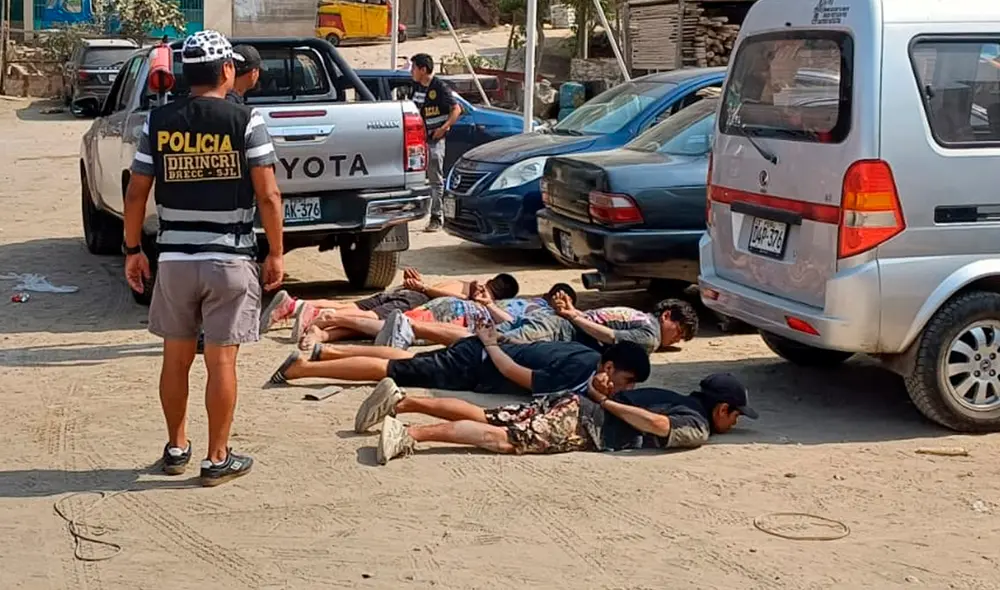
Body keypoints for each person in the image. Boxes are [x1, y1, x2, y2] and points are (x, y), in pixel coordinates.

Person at [123, 30, 284, 487]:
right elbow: (268, 195)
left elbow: (137, 192)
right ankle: (217, 458)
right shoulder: (246, 121)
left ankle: (176, 448)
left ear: (184, 73)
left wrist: (133, 250)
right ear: (228, 70)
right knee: (221, 362)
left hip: (174, 261)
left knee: (174, 359)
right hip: (229, 260)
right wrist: (275, 251)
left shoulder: (159, 122)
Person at [369, 372, 758, 465]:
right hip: (584, 421)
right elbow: (658, 426)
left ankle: (402, 402)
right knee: (505, 439)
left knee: (488, 414)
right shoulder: (698, 425)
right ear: (721, 409)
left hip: (570, 402)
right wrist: (606, 405)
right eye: (736, 416)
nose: (736, 424)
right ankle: (410, 434)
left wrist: (601, 396)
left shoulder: (673, 396)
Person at [268, 321, 651, 404]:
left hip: (478, 354)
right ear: (609, 366)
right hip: (479, 363)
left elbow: (531, 350)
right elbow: (514, 373)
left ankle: (329, 353)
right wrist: (490, 342)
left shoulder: (585, 355)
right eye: (627, 379)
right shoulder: (579, 369)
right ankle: (303, 369)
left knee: (408, 358)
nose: (625, 387)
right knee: (395, 370)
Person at [297, 283, 576, 351]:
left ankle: (326, 332)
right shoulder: (539, 313)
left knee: (386, 329)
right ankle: (333, 318)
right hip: (458, 317)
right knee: (395, 328)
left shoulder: (522, 301)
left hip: (454, 309)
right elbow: (508, 324)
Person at [262, 268, 519, 340]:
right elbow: (446, 299)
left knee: (353, 307)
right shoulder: (476, 295)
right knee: (370, 320)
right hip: (415, 299)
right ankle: (320, 316)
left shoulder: (466, 283)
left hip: (407, 292)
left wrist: (419, 284)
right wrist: (421, 287)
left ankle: (295, 305)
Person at [501, 297, 700, 354]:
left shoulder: (638, 316)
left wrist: (574, 313)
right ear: (666, 316)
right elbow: (611, 336)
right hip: (555, 330)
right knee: (496, 342)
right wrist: (573, 316)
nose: (676, 339)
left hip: (548, 320)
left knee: (485, 336)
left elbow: (598, 319)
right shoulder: (650, 337)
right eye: (679, 332)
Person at [410, 53, 461, 232]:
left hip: (434, 140)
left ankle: (436, 217)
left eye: (414, 68)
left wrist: (444, 128)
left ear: (423, 70)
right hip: (416, 141)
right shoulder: (416, 86)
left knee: (435, 179)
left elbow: (456, 109)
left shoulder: (439, 87)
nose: (411, 71)